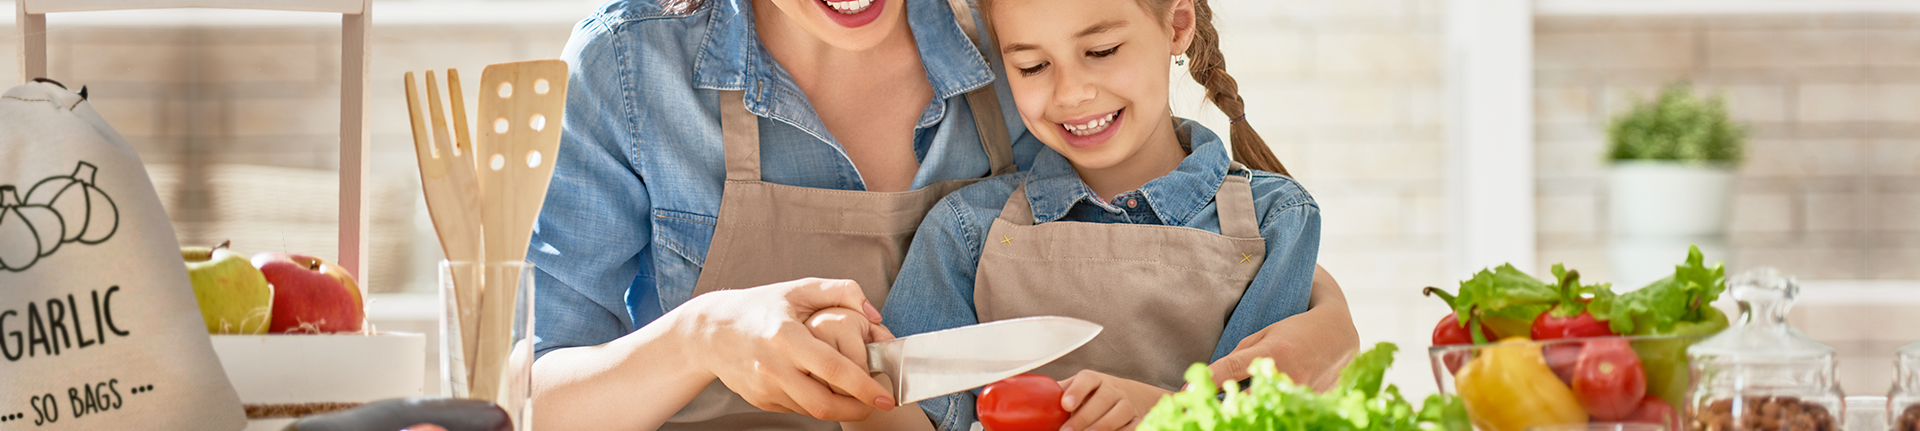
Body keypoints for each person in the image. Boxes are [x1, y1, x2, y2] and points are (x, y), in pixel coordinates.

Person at [527, 0, 1356, 429]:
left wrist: (1323, 315)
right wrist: (701, 335)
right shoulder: (630, 66)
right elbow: (526, 403)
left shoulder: (1016, 40)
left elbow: (1151, 233)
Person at [823, 0, 1357, 429]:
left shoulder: (1277, 221)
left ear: (1177, 24)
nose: (1072, 92)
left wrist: (1152, 410)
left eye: (1101, 51)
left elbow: (1253, 417)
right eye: (1032, 65)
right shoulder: (965, 229)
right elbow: (924, 417)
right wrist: (857, 383)